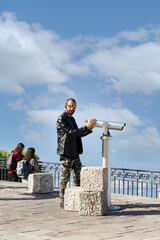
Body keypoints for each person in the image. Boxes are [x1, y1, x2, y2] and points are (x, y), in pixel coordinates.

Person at [56, 98, 96, 208]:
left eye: (74, 107)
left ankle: (77, 198)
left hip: (75, 152)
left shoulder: (72, 119)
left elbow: (78, 133)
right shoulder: (62, 119)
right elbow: (71, 132)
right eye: (70, 106)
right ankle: (63, 200)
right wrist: (85, 127)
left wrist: (88, 129)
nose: (72, 109)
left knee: (78, 177)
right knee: (65, 177)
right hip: (66, 152)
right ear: (65, 105)